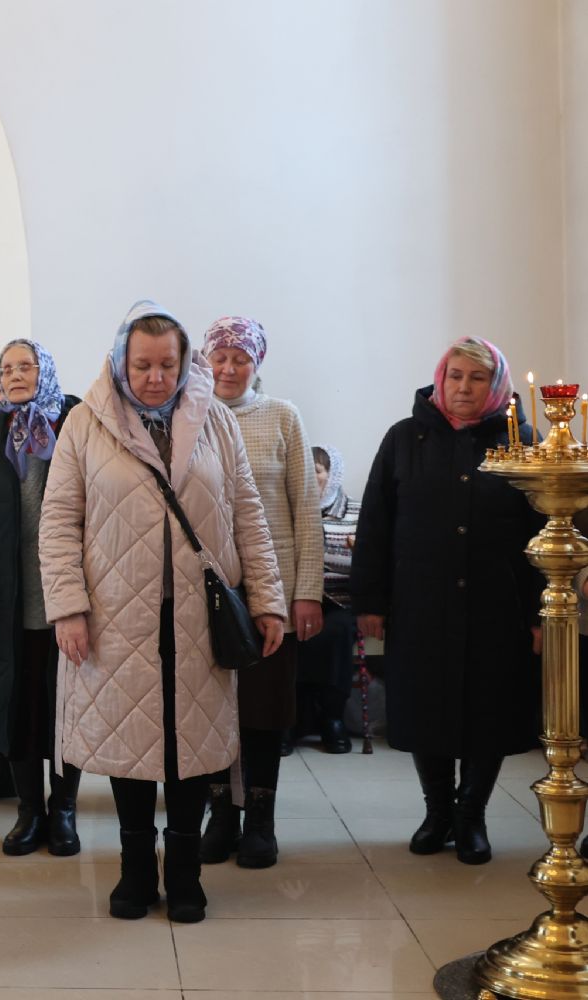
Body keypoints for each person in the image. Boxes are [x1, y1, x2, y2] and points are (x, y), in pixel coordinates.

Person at [40, 301, 285, 923]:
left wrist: (267, 600)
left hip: (199, 616)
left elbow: (248, 514)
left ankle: (183, 872)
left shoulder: (215, 421)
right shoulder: (85, 424)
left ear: (184, 363)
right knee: (129, 743)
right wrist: (68, 608)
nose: (155, 378)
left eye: (167, 365)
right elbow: (59, 522)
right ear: (120, 363)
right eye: (142, 365)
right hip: (116, 615)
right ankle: (134, 869)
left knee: (190, 744)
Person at [351, 336, 543, 865]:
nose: (463, 387)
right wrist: (370, 601)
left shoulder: (524, 442)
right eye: (455, 375)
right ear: (440, 379)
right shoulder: (404, 438)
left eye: (477, 378)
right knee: (426, 707)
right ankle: (437, 813)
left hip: (498, 606)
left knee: (489, 711)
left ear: (495, 385)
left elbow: (543, 532)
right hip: (420, 603)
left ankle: (471, 816)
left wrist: (538, 613)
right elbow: (376, 523)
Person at [197, 317, 323, 870]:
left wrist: (307, 592)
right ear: (205, 360)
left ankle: (261, 820)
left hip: (272, 590)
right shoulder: (190, 415)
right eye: (220, 357)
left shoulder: (282, 416)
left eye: (240, 359)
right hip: (209, 589)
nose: (229, 368)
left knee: (263, 710)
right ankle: (221, 815)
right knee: (211, 708)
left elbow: (306, 508)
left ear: (257, 363)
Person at [0, 339, 83, 856]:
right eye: (6, 368)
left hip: (68, 600)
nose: (15, 375)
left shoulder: (76, 426)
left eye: (26, 366)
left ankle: (64, 809)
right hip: (8, 601)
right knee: (19, 708)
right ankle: (30, 811)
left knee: (66, 710)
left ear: (44, 370)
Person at [294, 445, 360, 754]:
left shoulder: (356, 512)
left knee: (334, 632)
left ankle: (332, 717)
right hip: (295, 598)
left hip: (340, 600)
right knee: (289, 632)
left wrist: (323, 557)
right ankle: (292, 718)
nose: (311, 477)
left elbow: (365, 562)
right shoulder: (289, 509)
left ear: (332, 475)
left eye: (317, 471)